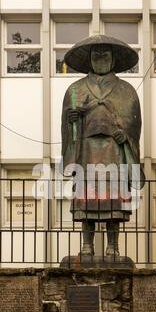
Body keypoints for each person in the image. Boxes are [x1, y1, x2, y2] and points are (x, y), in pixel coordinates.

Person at [61, 35, 145, 257]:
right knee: (86, 197)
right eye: (96, 55)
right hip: (86, 149)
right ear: (89, 59)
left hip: (114, 150)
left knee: (113, 200)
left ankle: (113, 246)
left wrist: (125, 134)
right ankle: (86, 245)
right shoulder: (75, 89)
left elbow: (134, 122)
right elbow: (66, 125)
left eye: (105, 55)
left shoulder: (126, 90)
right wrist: (72, 118)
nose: (100, 59)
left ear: (113, 59)